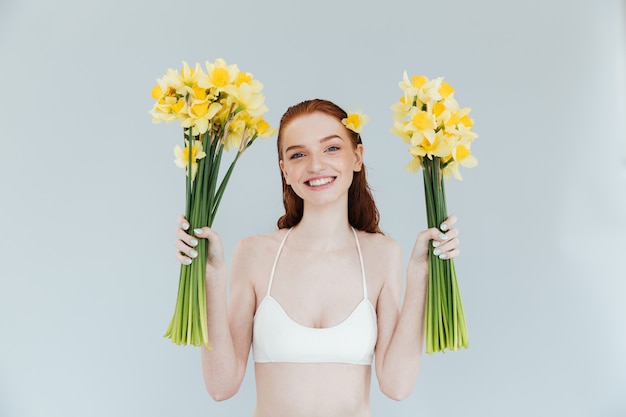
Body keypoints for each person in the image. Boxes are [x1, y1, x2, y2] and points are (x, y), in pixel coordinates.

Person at [174, 99, 460, 417]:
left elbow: (397, 385)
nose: (315, 165)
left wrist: (420, 275)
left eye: (331, 149)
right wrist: (210, 278)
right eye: (298, 154)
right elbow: (221, 386)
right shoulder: (253, 254)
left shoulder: (381, 254)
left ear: (357, 157)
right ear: (285, 170)